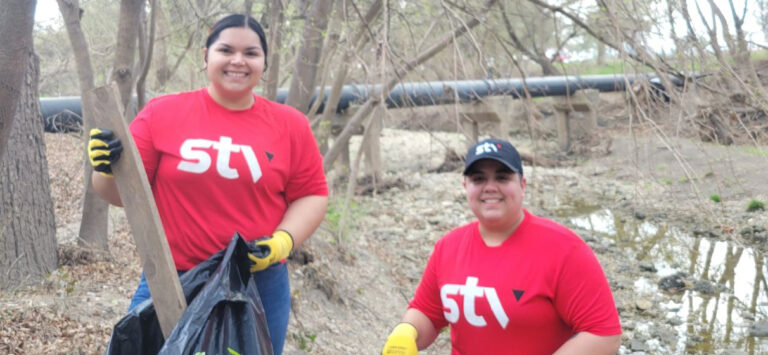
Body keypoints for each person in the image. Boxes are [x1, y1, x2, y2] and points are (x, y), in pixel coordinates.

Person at [87, 14, 328, 355]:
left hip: (256, 286)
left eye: (251, 53)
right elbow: (119, 194)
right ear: (206, 57)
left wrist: (282, 243)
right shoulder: (162, 113)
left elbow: (312, 194)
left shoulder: (290, 125)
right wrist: (107, 168)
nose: (238, 61)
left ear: (264, 63)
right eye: (226, 49)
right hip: (170, 279)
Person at [381, 138, 621, 354]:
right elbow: (428, 313)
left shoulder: (564, 249)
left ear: (523, 185)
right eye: (478, 179)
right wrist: (406, 331)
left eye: (502, 177)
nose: (490, 187)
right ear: (466, 187)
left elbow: (603, 334)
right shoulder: (448, 247)